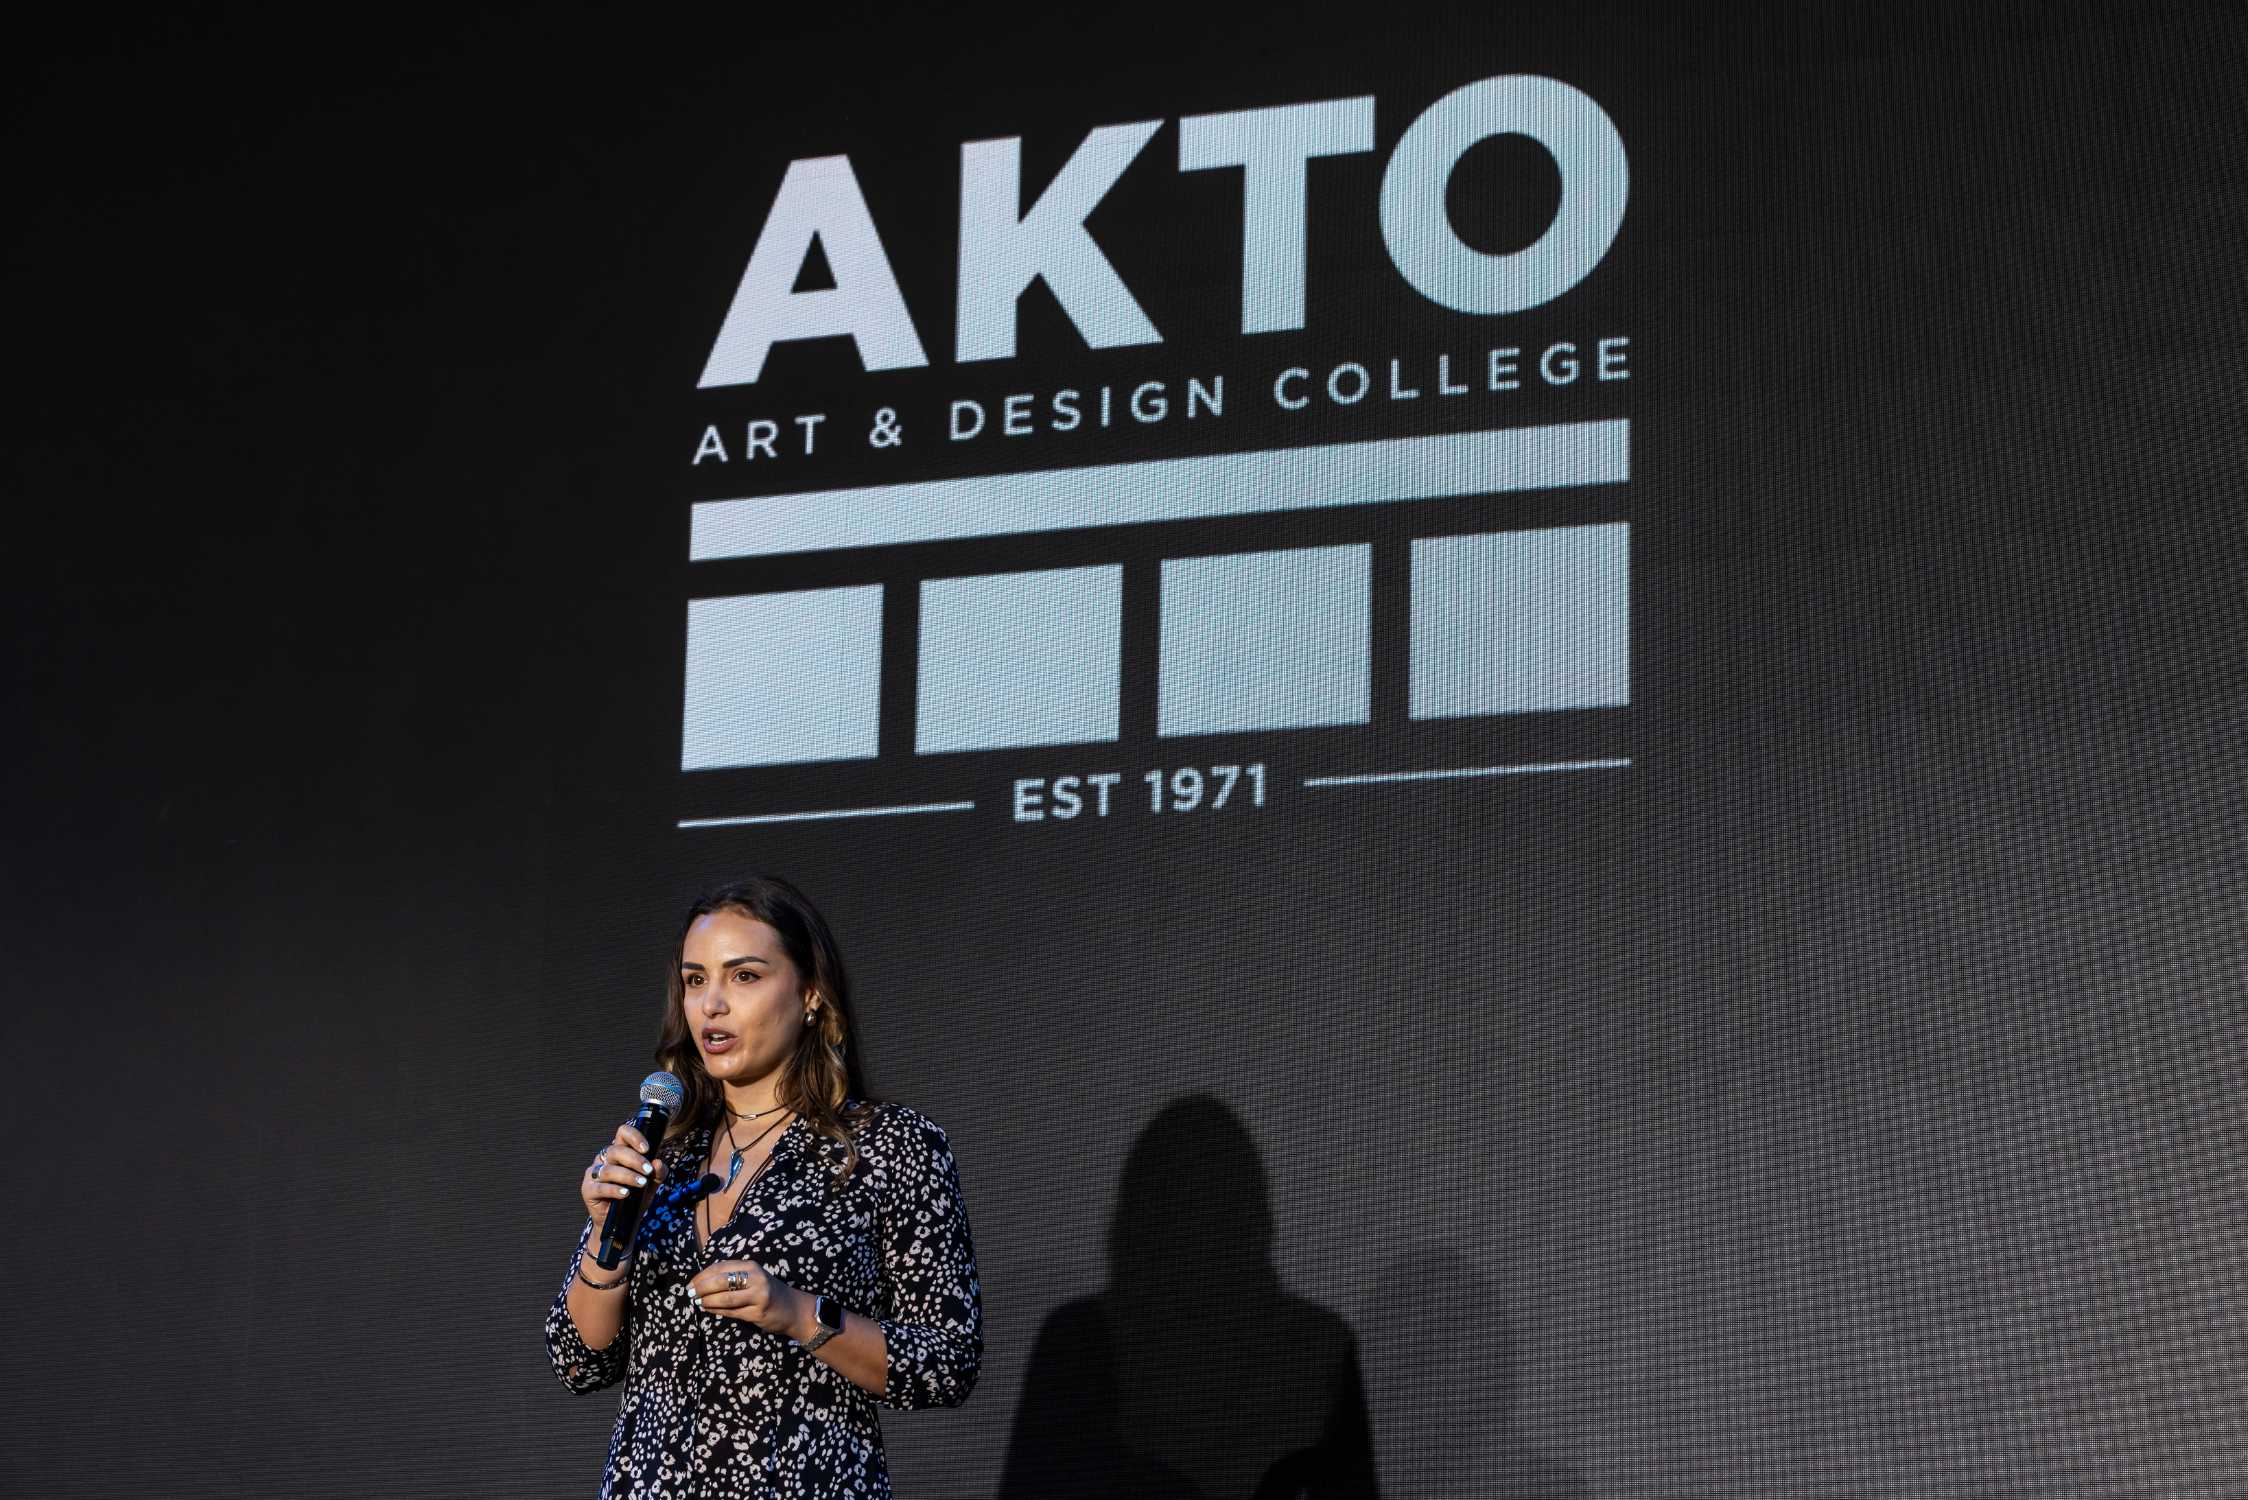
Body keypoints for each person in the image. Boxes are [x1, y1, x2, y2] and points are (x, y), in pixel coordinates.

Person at [545, 877, 982, 1498]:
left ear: (810, 993)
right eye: (696, 980)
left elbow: (947, 1363)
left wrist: (798, 1313)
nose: (712, 1005)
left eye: (744, 976)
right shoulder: (665, 1154)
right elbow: (579, 1361)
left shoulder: (891, 1145)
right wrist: (605, 1235)